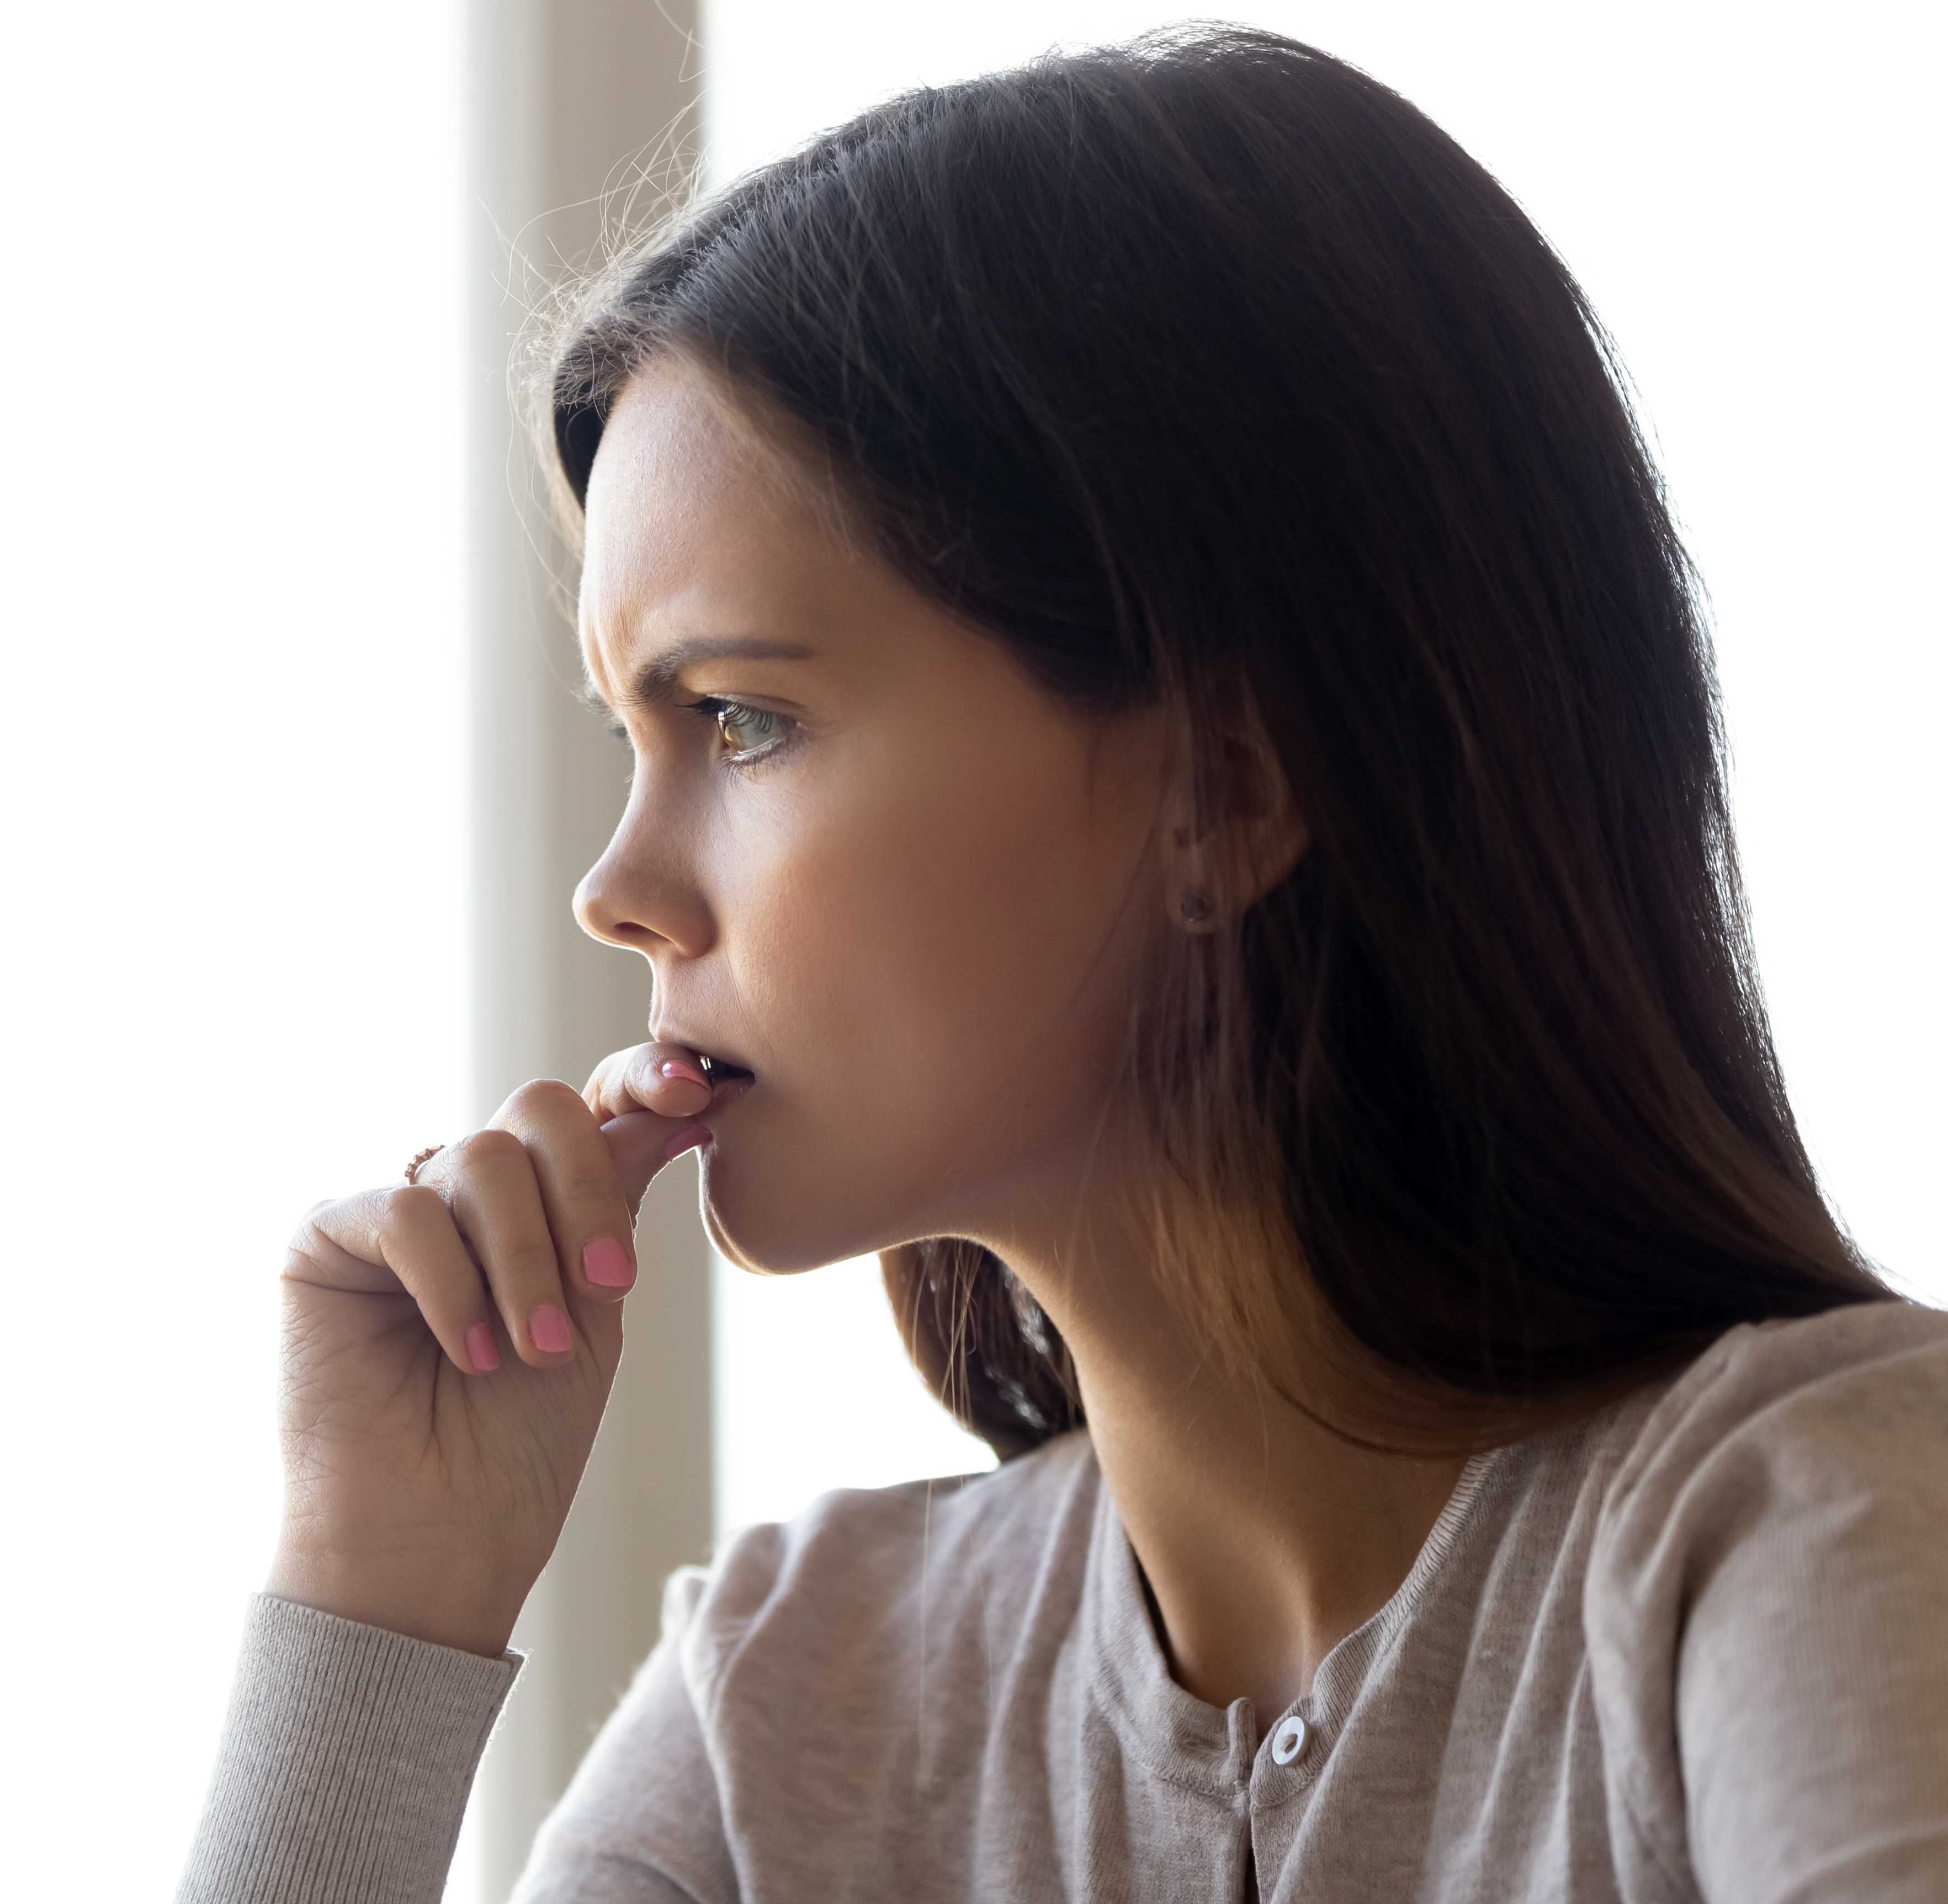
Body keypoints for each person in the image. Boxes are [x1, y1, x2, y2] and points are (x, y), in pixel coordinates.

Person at [177, 26, 1947, 1903]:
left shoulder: (1817, 1531)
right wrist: (380, 1596)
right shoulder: (781, 1710)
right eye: (637, 734)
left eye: (746, 718)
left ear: (1230, 790)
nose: (620, 887)